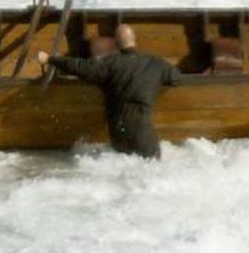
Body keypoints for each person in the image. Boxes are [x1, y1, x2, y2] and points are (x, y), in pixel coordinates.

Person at [36, 24, 182, 159]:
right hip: (144, 134)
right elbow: (177, 78)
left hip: (119, 133)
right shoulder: (155, 64)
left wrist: (50, 59)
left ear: (116, 44)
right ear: (134, 40)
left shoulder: (109, 64)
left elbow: (79, 66)